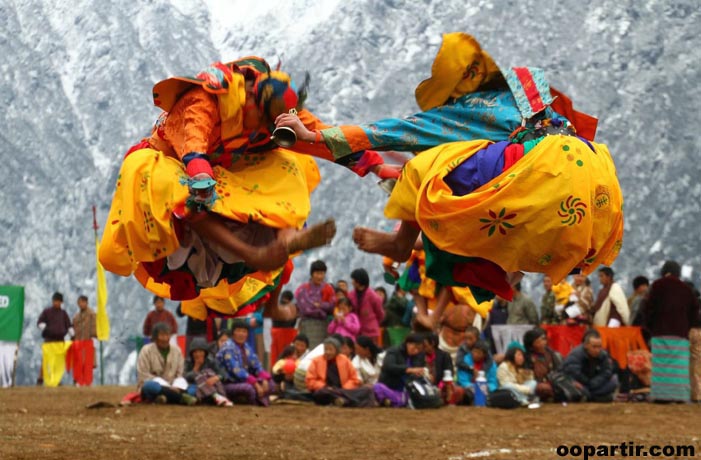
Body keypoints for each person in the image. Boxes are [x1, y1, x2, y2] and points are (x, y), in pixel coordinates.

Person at [99, 56, 336, 311]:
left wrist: (375, 166)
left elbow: (325, 138)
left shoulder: (270, 121)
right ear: (253, 99)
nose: (263, 129)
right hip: (171, 164)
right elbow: (194, 140)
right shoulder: (208, 97)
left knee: (284, 171)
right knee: (180, 197)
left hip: (218, 173)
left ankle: (286, 238)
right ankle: (254, 251)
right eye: (265, 120)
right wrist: (200, 174)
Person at [641, 261, 701, 402]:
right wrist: (686, 326)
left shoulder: (657, 286)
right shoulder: (686, 289)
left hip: (660, 331)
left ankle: (661, 396)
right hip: (680, 334)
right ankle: (679, 395)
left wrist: (649, 326)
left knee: (661, 364)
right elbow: (694, 311)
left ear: (664, 271)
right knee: (678, 366)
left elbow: (647, 308)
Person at [305, 337, 376, 407]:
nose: (328, 352)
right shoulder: (316, 361)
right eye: (326, 349)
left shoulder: (345, 360)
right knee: (320, 393)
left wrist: (344, 388)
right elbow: (310, 381)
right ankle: (348, 401)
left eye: (330, 349)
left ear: (337, 350)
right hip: (327, 391)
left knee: (367, 390)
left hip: (344, 390)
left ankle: (342, 400)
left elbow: (354, 379)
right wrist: (324, 386)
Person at [137, 322, 196, 405]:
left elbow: (180, 373)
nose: (165, 339)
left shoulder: (177, 351)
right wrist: (167, 387)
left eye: (167, 335)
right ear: (155, 337)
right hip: (156, 386)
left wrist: (175, 387)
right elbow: (143, 375)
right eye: (162, 335)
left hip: (174, 386)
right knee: (149, 386)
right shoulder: (146, 350)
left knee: (193, 387)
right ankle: (180, 398)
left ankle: (165, 397)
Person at [217, 319, 273, 405]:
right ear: (233, 333)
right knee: (249, 389)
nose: (241, 334)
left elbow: (256, 365)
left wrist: (264, 379)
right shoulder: (227, 347)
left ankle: (253, 398)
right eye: (238, 331)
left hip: (245, 380)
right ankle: (249, 400)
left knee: (270, 383)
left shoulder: (247, 347)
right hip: (229, 382)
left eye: (244, 331)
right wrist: (255, 383)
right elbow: (237, 371)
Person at [562, 329, 618, 402]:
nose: (597, 350)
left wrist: (595, 382)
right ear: (586, 345)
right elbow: (574, 373)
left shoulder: (603, 354)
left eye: (599, 347)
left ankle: (589, 396)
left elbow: (607, 372)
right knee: (573, 385)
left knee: (614, 380)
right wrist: (587, 382)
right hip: (580, 384)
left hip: (594, 385)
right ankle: (593, 397)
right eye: (594, 347)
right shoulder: (576, 354)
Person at [373, 333, 426, 407]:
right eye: (414, 347)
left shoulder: (417, 356)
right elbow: (389, 366)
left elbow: (418, 369)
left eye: (419, 349)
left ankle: (393, 401)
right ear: (408, 344)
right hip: (391, 386)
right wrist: (408, 370)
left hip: (407, 388)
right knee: (377, 387)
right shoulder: (394, 351)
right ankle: (396, 401)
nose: (416, 351)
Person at [295, 260, 336, 348]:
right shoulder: (303, 289)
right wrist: (322, 310)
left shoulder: (328, 289)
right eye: (317, 273)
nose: (319, 276)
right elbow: (304, 308)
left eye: (322, 273)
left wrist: (320, 305)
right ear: (312, 274)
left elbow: (332, 306)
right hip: (307, 325)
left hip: (324, 326)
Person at [37, 292, 73, 387]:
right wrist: (45, 328)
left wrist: (73, 335)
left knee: (58, 363)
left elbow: (69, 326)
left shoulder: (63, 314)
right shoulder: (47, 312)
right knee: (46, 361)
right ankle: (40, 379)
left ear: (61, 302)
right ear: (52, 301)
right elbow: (40, 322)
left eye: (58, 301)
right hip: (49, 341)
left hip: (60, 342)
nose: (56, 303)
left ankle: (56, 380)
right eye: (55, 301)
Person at [183, 337, 232, 406]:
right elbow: (184, 377)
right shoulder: (188, 362)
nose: (198, 354)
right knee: (198, 378)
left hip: (212, 386)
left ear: (205, 352)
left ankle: (216, 396)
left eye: (200, 351)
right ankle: (215, 396)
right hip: (195, 387)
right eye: (195, 352)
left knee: (208, 371)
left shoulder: (211, 361)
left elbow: (223, 374)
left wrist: (216, 378)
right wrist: (196, 368)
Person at [523, 327, 563, 401]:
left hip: (553, 381)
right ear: (532, 344)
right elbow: (527, 377)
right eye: (539, 341)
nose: (543, 342)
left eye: (544, 340)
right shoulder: (527, 357)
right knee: (542, 388)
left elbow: (560, 371)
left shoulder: (552, 354)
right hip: (536, 384)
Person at [348, 269, 385, 345]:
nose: (352, 282)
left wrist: (372, 323)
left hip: (370, 333)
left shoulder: (373, 296)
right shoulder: (350, 295)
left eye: (354, 280)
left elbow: (380, 314)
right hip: (356, 332)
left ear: (359, 281)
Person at [455, 339, 498, 405]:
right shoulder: (465, 360)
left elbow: (493, 382)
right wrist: (476, 388)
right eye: (474, 351)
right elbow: (463, 381)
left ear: (484, 355)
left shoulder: (491, 365)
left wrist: (484, 387)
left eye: (479, 353)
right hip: (469, 389)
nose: (475, 354)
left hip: (485, 390)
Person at [70, 295, 97, 387]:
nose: (80, 304)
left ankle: (88, 381)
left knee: (88, 363)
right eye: (79, 303)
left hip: (88, 340)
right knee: (78, 362)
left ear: (86, 302)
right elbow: (73, 328)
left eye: (82, 302)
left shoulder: (92, 314)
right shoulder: (76, 317)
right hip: (78, 341)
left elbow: (95, 327)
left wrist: (95, 335)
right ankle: (78, 380)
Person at [269, 290, 298, 369]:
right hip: (287, 332)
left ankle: (274, 370)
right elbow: (292, 321)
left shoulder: (276, 305)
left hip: (275, 331)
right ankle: (285, 369)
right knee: (286, 353)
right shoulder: (291, 307)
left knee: (275, 353)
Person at [423, 333, 455, 401]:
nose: (423, 347)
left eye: (425, 345)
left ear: (432, 344)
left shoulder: (444, 356)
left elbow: (449, 373)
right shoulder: (421, 356)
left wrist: (441, 386)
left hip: (442, 386)